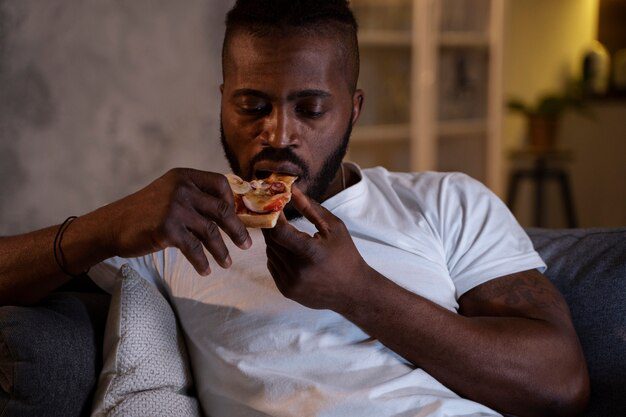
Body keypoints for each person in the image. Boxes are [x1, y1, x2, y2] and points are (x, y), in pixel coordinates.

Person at [0, 1, 589, 416]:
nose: (277, 134)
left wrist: (356, 291)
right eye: (251, 106)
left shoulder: (446, 201)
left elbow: (559, 384)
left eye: (310, 109)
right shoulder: (179, 227)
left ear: (353, 110)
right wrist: (106, 226)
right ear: (222, 103)